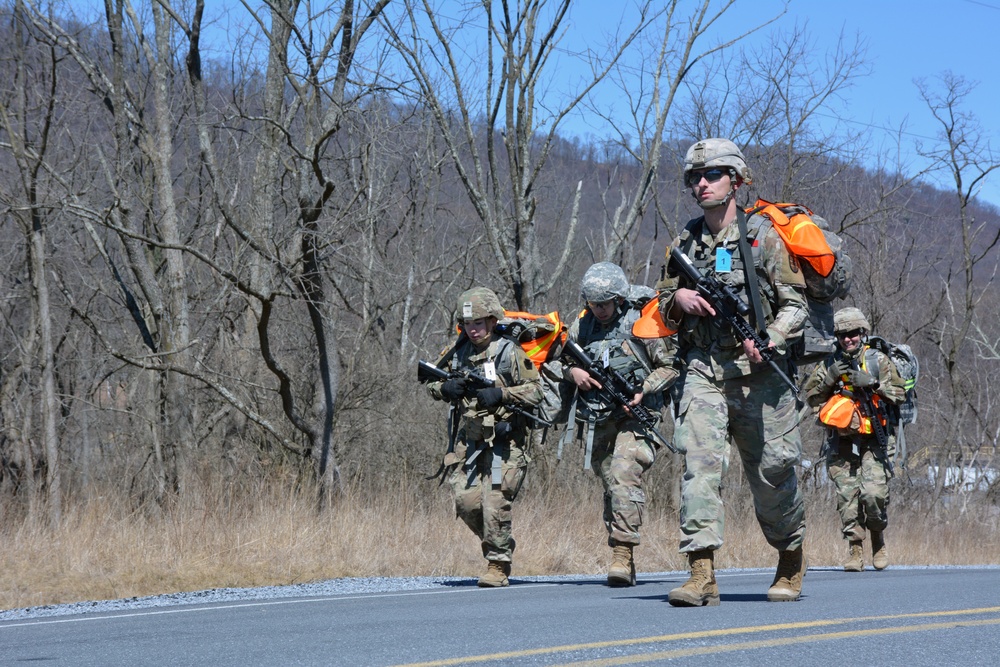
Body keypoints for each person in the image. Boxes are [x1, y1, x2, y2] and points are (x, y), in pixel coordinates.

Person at [656, 138, 809, 605]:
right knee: (699, 468)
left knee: (772, 476)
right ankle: (701, 574)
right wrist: (678, 300)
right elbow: (661, 302)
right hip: (703, 369)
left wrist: (772, 339)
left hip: (760, 373)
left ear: (736, 180)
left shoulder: (764, 236)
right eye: (694, 177)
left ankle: (790, 556)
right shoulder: (685, 241)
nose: (701, 183)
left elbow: (796, 306)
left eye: (713, 174)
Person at [550, 262, 678, 586]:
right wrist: (573, 373)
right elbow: (561, 357)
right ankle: (625, 555)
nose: (600, 310)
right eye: (594, 304)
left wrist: (642, 389)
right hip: (599, 420)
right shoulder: (582, 327)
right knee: (611, 486)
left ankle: (621, 554)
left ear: (618, 299)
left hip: (636, 417)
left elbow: (670, 368)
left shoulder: (640, 325)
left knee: (624, 473)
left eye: (605, 304)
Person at [425, 287, 543, 587]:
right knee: (466, 503)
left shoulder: (509, 351)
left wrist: (501, 394)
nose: (472, 329)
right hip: (470, 441)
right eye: (467, 324)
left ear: (492, 321)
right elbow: (431, 379)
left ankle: (497, 564)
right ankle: (499, 542)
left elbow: (536, 392)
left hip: (506, 441)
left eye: (478, 323)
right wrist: (444, 389)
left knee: (495, 503)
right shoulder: (458, 351)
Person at [802, 307, 905, 572]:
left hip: (875, 438)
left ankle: (878, 539)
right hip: (842, 438)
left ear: (862, 333)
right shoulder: (828, 364)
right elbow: (811, 397)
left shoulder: (877, 361)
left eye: (853, 334)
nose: (848, 339)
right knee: (847, 497)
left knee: (873, 494)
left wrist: (872, 383)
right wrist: (831, 378)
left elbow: (899, 393)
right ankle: (855, 549)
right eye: (842, 335)